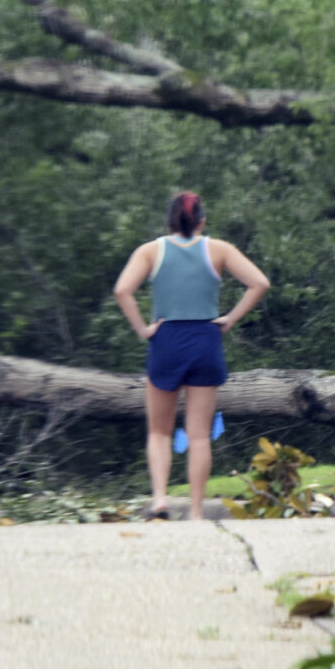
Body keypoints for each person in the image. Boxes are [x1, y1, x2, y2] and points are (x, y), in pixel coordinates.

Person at [112, 191, 270, 520]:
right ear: (202, 220)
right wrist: (230, 317)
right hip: (205, 340)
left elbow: (122, 290)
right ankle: (196, 512)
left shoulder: (150, 251)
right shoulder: (220, 250)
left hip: (166, 339)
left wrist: (143, 329)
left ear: (169, 221)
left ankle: (160, 501)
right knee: (198, 435)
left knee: (159, 431)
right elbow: (259, 283)